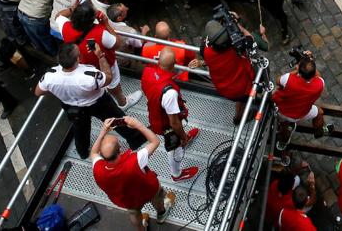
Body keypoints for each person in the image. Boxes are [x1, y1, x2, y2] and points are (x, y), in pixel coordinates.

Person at [35, 43, 143, 159]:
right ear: (78, 59)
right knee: (116, 120)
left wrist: (60, 91)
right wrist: (100, 56)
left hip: (71, 107)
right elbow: (108, 78)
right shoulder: (89, 76)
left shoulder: (50, 76)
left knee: (80, 130)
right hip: (99, 103)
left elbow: (38, 92)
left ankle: (83, 152)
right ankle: (136, 139)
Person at [90, 115, 175, 228]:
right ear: (120, 149)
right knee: (157, 196)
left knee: (134, 213)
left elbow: (93, 153)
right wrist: (137, 125)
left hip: (127, 199)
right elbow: (155, 141)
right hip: (147, 190)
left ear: (101, 154)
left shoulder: (97, 168)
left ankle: (141, 229)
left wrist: (102, 132)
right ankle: (161, 213)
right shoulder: (135, 160)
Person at [55, 0, 141, 110]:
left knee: (98, 84)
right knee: (113, 84)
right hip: (105, 64)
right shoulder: (100, 33)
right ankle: (123, 103)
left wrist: (72, 9)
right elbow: (117, 43)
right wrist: (106, 23)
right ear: (91, 20)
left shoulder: (65, 27)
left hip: (84, 67)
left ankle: (103, 93)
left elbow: (59, 16)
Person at [140, 48, 200, 183]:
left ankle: (183, 139)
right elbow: (174, 123)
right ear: (174, 64)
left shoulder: (148, 70)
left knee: (176, 139)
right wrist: (183, 137)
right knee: (174, 148)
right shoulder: (170, 93)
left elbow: (150, 85)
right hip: (166, 124)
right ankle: (176, 174)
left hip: (155, 113)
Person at [200, 18, 254, 120]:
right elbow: (250, 39)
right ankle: (239, 117)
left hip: (222, 87)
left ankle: (238, 116)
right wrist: (239, 27)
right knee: (242, 100)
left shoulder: (204, 49)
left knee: (239, 100)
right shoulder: (235, 46)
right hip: (241, 87)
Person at [273, 52, 331, 145]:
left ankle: (283, 141)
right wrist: (311, 61)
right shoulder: (319, 84)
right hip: (302, 113)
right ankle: (319, 131)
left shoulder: (288, 79)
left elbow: (278, 80)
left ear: (299, 71)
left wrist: (296, 70)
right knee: (319, 112)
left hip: (282, 111)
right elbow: (318, 76)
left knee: (284, 125)